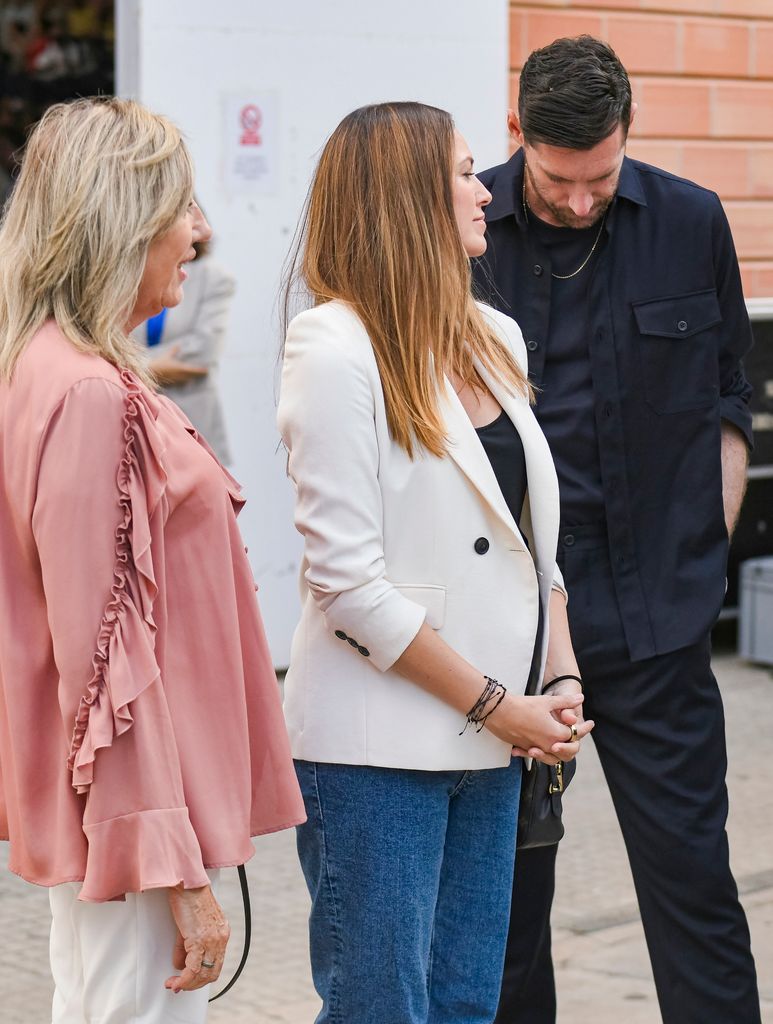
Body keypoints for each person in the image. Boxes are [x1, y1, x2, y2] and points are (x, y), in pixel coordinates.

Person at [277, 100, 594, 1024]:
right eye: (462, 171)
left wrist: (560, 669)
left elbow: (530, 538)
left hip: (493, 739)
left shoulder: (488, 334)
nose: (483, 189)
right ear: (403, 196)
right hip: (376, 752)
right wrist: (503, 705)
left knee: (465, 1004)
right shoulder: (333, 344)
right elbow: (347, 586)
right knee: (382, 1008)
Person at [471, 35, 760, 1024]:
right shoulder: (459, 230)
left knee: (694, 890)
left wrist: (703, 557)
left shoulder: (689, 220)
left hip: (655, 623)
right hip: (501, 634)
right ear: (519, 137)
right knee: (502, 912)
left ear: (625, 133)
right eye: (559, 181)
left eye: (600, 175)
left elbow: (727, 398)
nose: (582, 200)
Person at [0, 97, 304, 1024]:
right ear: (119, 221)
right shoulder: (89, 391)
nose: (201, 231)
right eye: (182, 206)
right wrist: (174, 870)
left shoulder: (61, 366)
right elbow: (103, 673)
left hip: (128, 814)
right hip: (133, 825)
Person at [133, 223, 236, 464]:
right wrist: (152, 368)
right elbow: (100, 342)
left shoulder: (214, 277)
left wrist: (130, 365)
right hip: (136, 424)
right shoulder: (132, 272)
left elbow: (203, 351)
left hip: (191, 425)